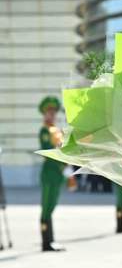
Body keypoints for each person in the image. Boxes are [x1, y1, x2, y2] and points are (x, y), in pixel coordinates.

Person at [38, 96, 67, 252]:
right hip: (49, 172)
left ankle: (51, 240)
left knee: (53, 205)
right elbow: (46, 150)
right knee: (46, 206)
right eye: (49, 112)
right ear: (44, 114)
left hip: (57, 173)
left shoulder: (57, 130)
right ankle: (46, 242)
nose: (52, 115)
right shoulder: (44, 130)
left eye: (53, 112)